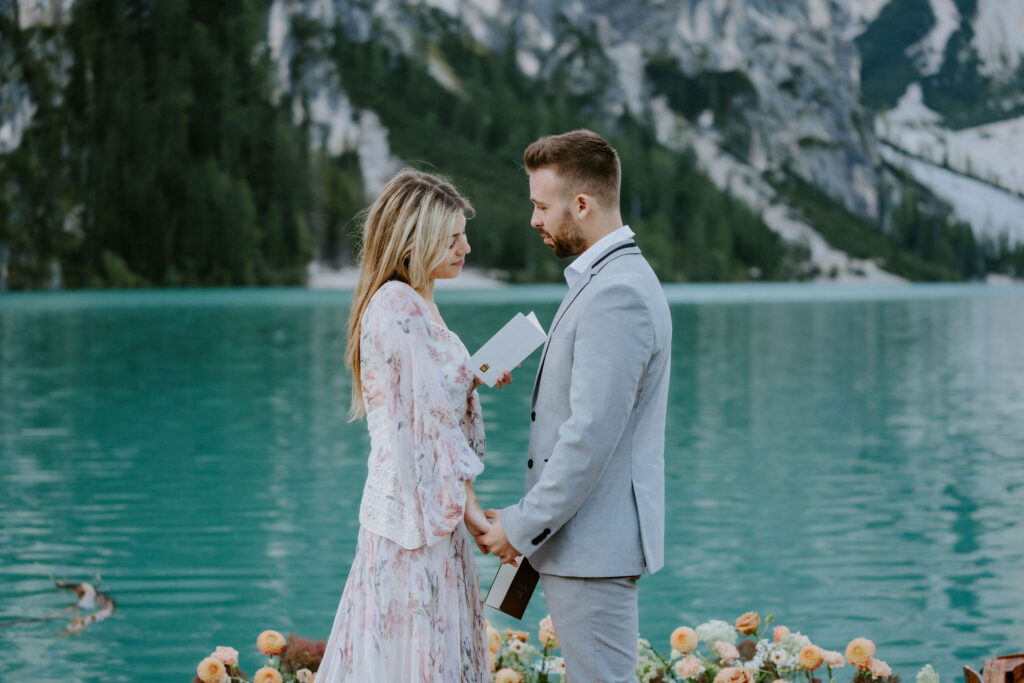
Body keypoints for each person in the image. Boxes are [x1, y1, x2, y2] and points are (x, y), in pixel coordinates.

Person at [479, 130, 673, 682]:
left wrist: (521, 525)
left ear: (581, 205)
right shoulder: (607, 278)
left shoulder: (617, 293)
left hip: (593, 547)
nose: (535, 220)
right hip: (581, 544)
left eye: (542, 206)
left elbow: (589, 437)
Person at [317, 168, 508, 682]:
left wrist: (474, 374)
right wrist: (471, 511)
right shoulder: (397, 305)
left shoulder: (421, 302)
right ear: (414, 241)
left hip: (425, 512)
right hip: (413, 522)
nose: (465, 246)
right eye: (451, 238)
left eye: (463, 234)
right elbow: (426, 426)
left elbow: (430, 396)